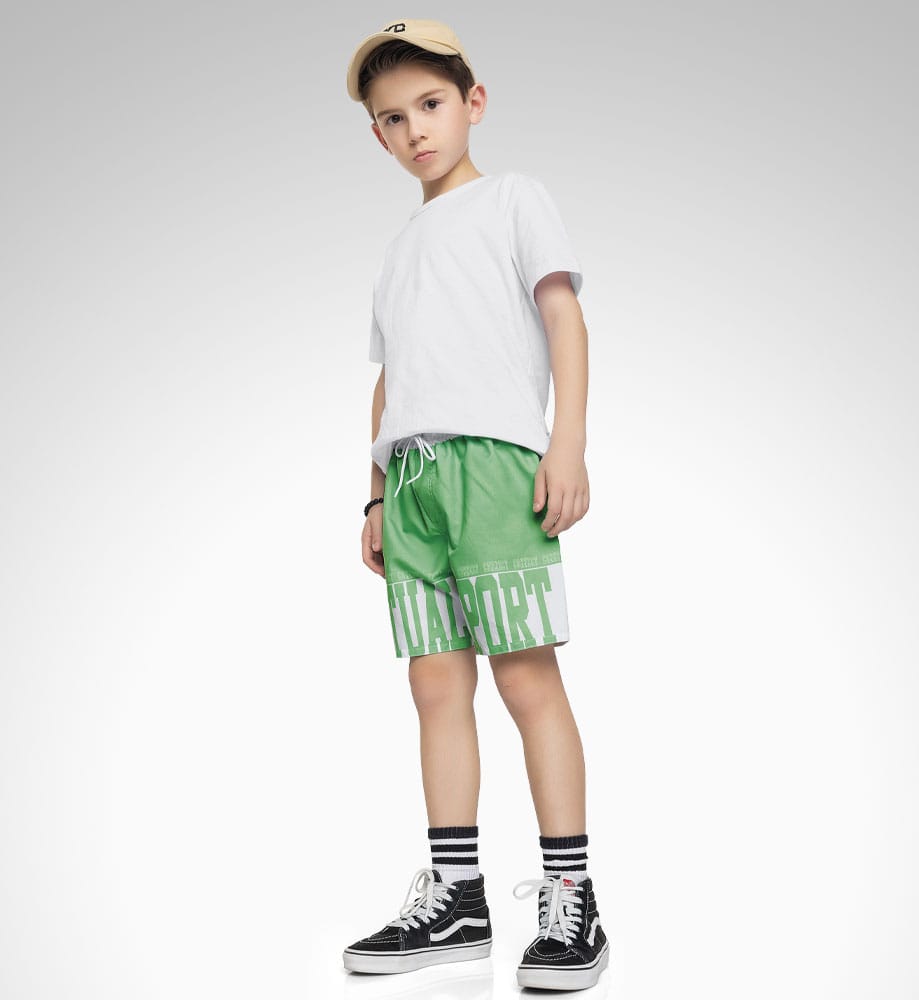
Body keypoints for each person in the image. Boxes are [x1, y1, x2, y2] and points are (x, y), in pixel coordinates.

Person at [342, 18, 609, 991]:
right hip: (411, 481)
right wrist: (374, 495)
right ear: (377, 135)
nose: (414, 128)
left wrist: (566, 443)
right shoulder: (398, 250)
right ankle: (457, 895)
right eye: (392, 117)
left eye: (430, 104)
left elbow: (562, 316)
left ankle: (573, 895)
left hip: (494, 467)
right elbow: (391, 380)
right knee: (434, 685)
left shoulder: (512, 199)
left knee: (526, 677)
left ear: (472, 102)